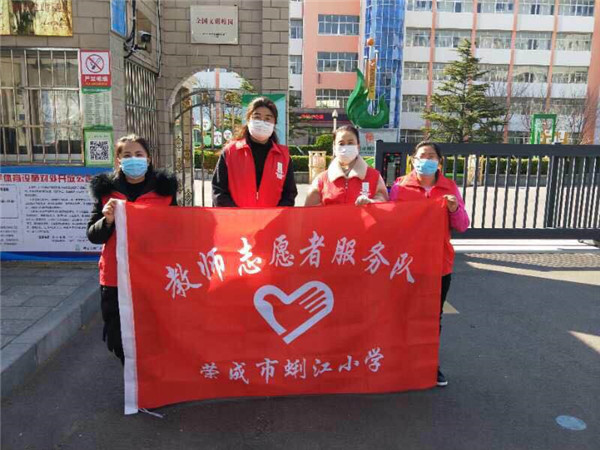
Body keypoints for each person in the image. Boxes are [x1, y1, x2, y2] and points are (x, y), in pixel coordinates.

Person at [87, 134, 178, 364]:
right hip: (116, 276)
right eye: (127, 155)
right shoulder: (107, 193)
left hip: (153, 275)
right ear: (118, 160)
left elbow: (178, 231)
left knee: (153, 333)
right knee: (118, 336)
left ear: (148, 159)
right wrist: (107, 220)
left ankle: (149, 379)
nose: (133, 159)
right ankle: (131, 372)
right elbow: (93, 235)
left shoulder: (164, 192)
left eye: (139, 154)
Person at [389, 141, 469, 387]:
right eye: (422, 156)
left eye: (431, 156)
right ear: (413, 159)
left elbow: (462, 224)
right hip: (407, 265)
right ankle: (401, 360)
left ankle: (429, 364)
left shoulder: (449, 187)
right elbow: (389, 222)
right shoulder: (400, 187)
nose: (426, 160)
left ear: (439, 161)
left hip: (438, 264)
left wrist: (453, 209)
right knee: (404, 313)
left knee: (433, 317)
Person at [212, 97, 297, 207]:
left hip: (272, 218)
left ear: (274, 123)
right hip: (236, 217)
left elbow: (289, 194)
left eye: (268, 118)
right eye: (257, 117)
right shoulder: (230, 152)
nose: (262, 122)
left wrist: (274, 215)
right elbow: (218, 190)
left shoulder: (283, 157)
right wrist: (237, 214)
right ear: (248, 120)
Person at [304, 125, 388, 206]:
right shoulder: (322, 180)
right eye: (341, 143)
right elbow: (310, 211)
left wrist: (372, 202)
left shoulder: (374, 176)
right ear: (334, 147)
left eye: (350, 143)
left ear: (358, 146)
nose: (346, 147)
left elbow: (384, 202)